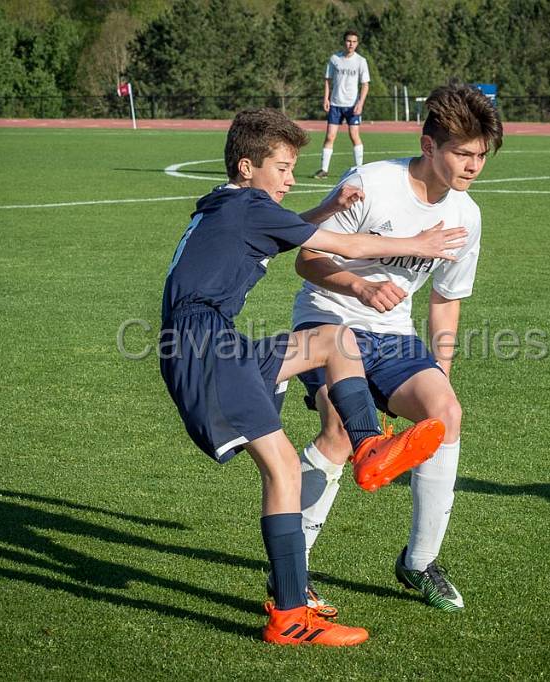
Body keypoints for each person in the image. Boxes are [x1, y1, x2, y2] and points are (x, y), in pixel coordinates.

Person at [159, 107, 468, 646]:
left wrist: (330, 204)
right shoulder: (250, 205)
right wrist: (416, 246)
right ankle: (290, 615)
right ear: (248, 166)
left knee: (335, 340)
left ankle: (369, 444)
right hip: (203, 345)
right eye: (282, 167)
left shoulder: (231, 203)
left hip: (212, 341)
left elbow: (297, 229)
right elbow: (336, 245)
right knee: (280, 468)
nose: (290, 177)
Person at [285, 83, 503, 615]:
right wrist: (358, 286)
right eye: (463, 153)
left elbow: (446, 301)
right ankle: (293, 571)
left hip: (396, 338)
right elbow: (306, 259)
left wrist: (441, 372)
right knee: (339, 429)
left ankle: (419, 562)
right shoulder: (372, 184)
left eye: (481, 155)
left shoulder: (466, 217)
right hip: (329, 321)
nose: (474, 166)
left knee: (444, 414)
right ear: (429, 146)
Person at [313, 30, 370, 179]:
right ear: (344, 42)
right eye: (348, 41)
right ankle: (323, 170)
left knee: (354, 135)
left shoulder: (361, 61)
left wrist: (360, 103)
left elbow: (365, 85)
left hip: (352, 105)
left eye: (354, 42)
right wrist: (326, 98)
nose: (351, 44)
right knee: (330, 137)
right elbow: (327, 80)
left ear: (357, 44)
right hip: (336, 104)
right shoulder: (334, 59)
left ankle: (359, 169)